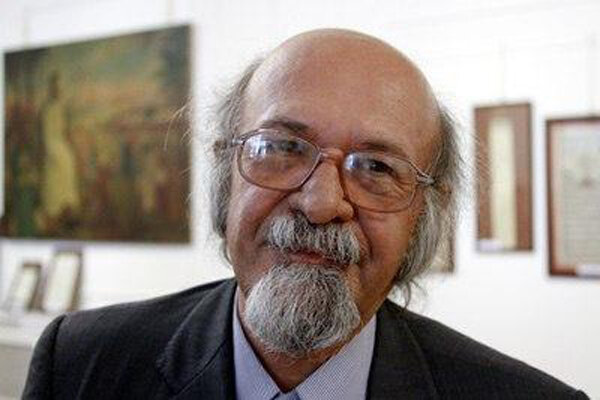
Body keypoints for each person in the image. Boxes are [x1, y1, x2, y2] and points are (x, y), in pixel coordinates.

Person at [23, 29, 588, 399]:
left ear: (426, 214)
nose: (321, 203)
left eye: (376, 167)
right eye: (281, 148)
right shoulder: (81, 367)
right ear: (225, 174)